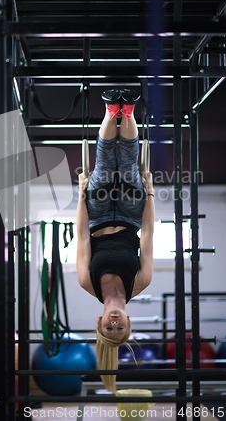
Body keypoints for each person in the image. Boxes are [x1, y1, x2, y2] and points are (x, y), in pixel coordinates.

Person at [76, 88, 155, 393]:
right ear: (128, 322)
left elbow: (83, 237)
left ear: (99, 322)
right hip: (130, 214)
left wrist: (80, 198)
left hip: (96, 215)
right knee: (128, 164)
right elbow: (147, 235)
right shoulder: (140, 282)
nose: (114, 323)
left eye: (108, 327)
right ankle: (129, 110)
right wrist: (149, 193)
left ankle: (112, 109)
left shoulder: (87, 282)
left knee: (106, 163)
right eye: (119, 327)